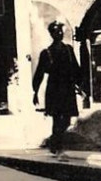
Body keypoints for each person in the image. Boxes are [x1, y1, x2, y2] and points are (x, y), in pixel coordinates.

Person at [32, 20, 86, 154]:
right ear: (52, 34)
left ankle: (56, 142)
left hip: (67, 87)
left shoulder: (68, 49)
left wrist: (81, 85)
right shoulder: (46, 53)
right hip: (54, 89)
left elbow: (76, 68)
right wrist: (35, 91)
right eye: (57, 31)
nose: (60, 34)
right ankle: (56, 146)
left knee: (67, 119)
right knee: (56, 118)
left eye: (61, 31)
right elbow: (39, 73)